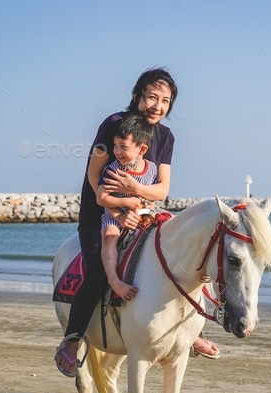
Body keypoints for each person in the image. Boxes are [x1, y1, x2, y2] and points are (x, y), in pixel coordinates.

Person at [55, 68, 219, 378]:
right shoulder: (115, 126)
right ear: (137, 96)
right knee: (98, 275)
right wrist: (119, 208)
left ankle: (188, 328)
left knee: (185, 260)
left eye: (165, 101)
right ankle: (73, 339)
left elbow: (163, 189)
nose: (157, 106)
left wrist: (136, 193)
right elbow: (94, 176)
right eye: (151, 97)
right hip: (102, 215)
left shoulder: (166, 137)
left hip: (143, 214)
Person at [96, 113, 156, 302]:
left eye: (123, 147)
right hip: (114, 216)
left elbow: (151, 196)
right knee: (109, 236)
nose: (117, 151)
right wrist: (127, 203)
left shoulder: (152, 168)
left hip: (141, 216)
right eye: (115, 145)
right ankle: (114, 281)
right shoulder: (114, 170)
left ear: (142, 149)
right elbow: (101, 198)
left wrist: (147, 209)